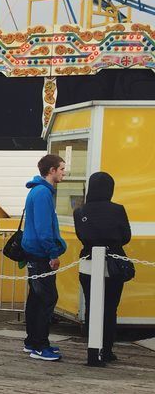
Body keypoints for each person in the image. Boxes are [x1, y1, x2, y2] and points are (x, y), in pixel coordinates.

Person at [74, 171, 132, 363]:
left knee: (92, 305)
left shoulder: (80, 212)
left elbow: (81, 236)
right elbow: (126, 236)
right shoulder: (118, 209)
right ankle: (107, 349)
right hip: (114, 262)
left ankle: (93, 348)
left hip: (88, 260)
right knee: (110, 306)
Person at [21, 152, 67, 361]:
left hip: (33, 252)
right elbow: (43, 228)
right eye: (62, 169)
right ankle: (40, 345)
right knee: (47, 298)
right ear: (52, 171)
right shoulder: (43, 194)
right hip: (41, 254)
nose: (64, 173)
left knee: (36, 298)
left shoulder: (36, 191)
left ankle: (32, 341)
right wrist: (53, 253)